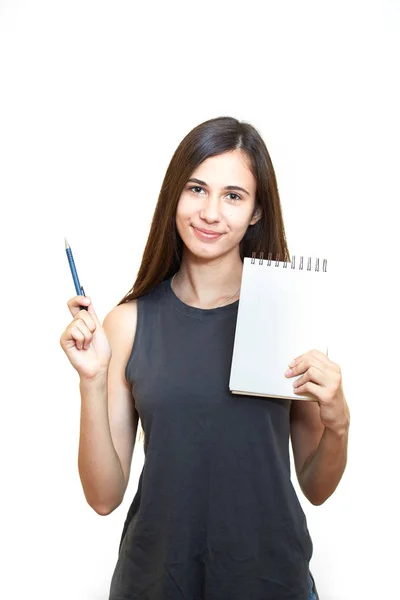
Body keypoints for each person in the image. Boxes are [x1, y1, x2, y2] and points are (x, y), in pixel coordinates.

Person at [60, 116, 350, 600]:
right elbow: (104, 497)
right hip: (155, 583)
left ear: (257, 211)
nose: (211, 212)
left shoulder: (287, 313)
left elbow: (317, 487)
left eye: (234, 196)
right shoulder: (128, 323)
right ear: (175, 194)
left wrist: (338, 423)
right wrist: (92, 380)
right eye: (197, 189)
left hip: (271, 584)